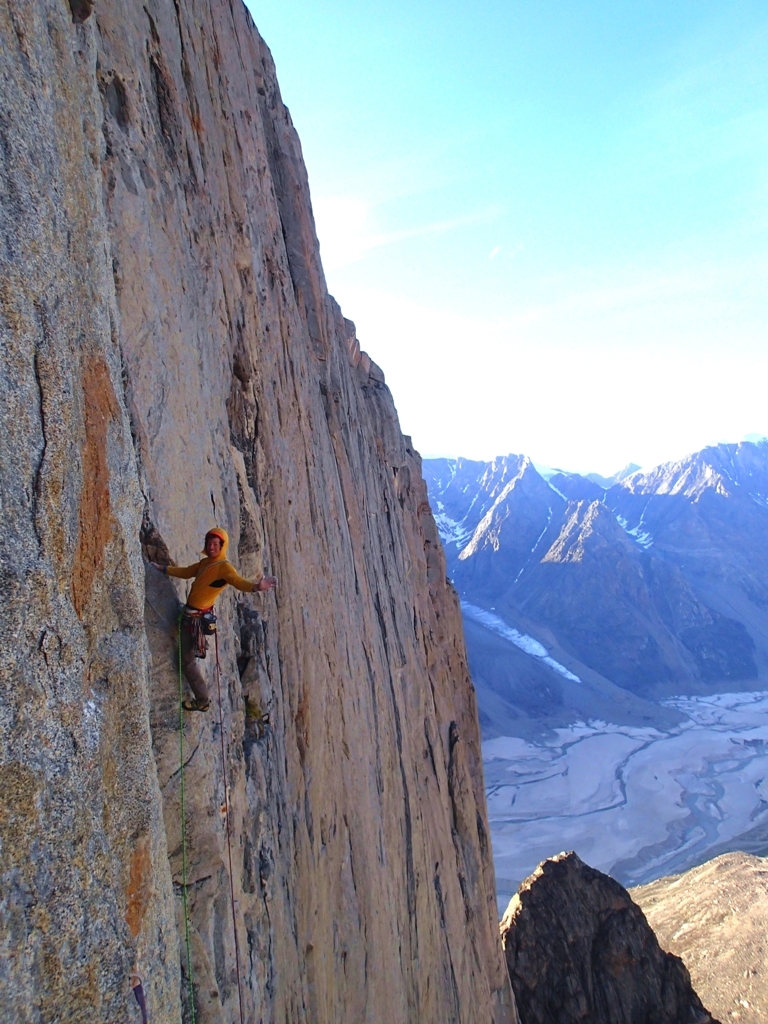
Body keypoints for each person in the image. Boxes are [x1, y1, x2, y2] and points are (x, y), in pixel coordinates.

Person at [151, 527, 277, 712]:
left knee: (186, 661)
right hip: (191, 616)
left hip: (195, 620)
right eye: (209, 543)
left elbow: (237, 581)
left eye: (215, 544)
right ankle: (202, 697)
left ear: (222, 546)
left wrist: (256, 587)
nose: (211, 547)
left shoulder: (224, 568)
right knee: (187, 656)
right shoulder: (205, 563)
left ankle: (203, 701)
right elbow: (186, 572)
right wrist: (162, 568)